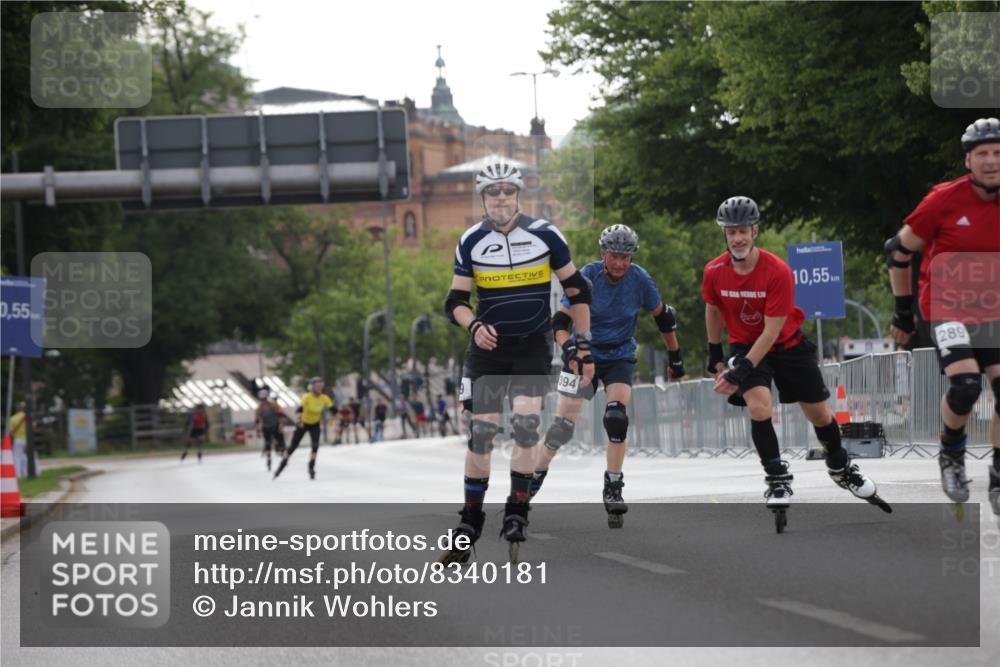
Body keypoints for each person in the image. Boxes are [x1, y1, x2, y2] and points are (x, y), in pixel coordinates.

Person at [703, 196, 890, 531]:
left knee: (818, 413)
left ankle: (839, 465)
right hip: (746, 344)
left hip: (786, 342)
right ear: (725, 235)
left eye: (743, 230)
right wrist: (714, 351)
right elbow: (714, 309)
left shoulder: (777, 271)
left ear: (755, 230)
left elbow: (773, 330)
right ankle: (776, 476)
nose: (737, 238)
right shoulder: (715, 271)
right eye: (731, 232)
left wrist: (743, 367)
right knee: (759, 408)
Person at [439, 156, 593, 563]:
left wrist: (583, 342)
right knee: (482, 433)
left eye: (508, 191)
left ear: (518, 194)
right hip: (487, 348)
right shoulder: (471, 240)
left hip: (531, 345)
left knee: (526, 424)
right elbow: (455, 301)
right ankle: (470, 521)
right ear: (483, 197)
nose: (501, 198)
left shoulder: (546, 235)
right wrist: (473, 326)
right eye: (493, 192)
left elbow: (578, 290)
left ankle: (517, 510)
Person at [530, 224, 688, 528]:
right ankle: (535, 476)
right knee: (562, 428)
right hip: (583, 354)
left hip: (619, 355)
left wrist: (675, 357)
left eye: (626, 257)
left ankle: (613, 485)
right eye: (615, 256)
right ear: (603, 253)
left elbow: (664, 318)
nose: (620, 263)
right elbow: (559, 324)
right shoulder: (586, 276)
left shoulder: (640, 279)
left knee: (616, 417)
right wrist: (570, 351)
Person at [885, 117, 1000, 515]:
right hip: (946, 307)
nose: (991, 161)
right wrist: (903, 312)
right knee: (967, 384)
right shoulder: (944, 200)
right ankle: (951, 454)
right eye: (982, 154)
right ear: (968, 161)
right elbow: (897, 251)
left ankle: (998, 475)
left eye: (998, 153)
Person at [273, 377, 333, 480]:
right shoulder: (307, 397)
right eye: (317, 387)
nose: (319, 389)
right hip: (303, 423)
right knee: (293, 447)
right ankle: (281, 465)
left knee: (315, 446)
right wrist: (299, 421)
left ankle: (311, 467)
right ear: (312, 388)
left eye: (321, 387)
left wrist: (340, 416)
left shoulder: (324, 398)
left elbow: (334, 410)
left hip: (315, 424)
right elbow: (299, 411)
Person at [254, 389, 287, 471]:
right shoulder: (271, 406)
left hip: (269, 427)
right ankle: (276, 458)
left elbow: (257, 421)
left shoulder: (261, 407)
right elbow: (281, 415)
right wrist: (281, 425)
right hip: (271, 426)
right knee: (278, 442)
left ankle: (272, 458)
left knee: (272, 442)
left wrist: (258, 431)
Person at [7, 402, 33, 479]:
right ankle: (25, 472)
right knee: (25, 457)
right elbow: (33, 428)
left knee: (17, 457)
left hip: (18, 440)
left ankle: (18, 474)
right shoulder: (28, 417)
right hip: (28, 440)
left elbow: (10, 432)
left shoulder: (12, 418)